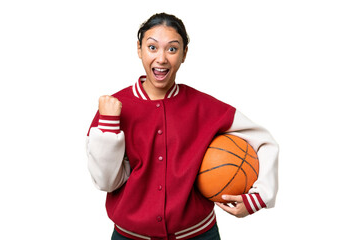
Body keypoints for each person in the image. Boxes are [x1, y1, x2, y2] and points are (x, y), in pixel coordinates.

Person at [86, 13, 279, 240]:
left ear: (184, 54)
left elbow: (264, 141)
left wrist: (259, 197)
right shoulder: (113, 108)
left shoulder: (204, 106)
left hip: (199, 235)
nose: (161, 59)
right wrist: (109, 124)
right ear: (139, 50)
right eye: (152, 47)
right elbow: (106, 182)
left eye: (172, 49)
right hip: (130, 236)